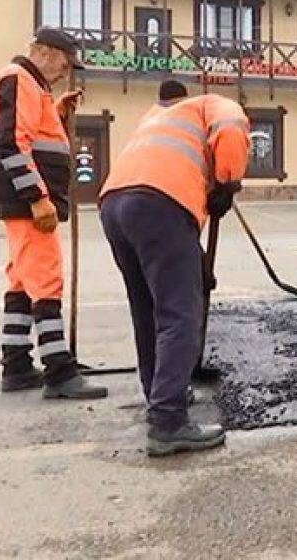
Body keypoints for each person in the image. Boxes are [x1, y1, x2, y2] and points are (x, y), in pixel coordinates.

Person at [98, 90, 250, 457]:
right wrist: (228, 182)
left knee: (147, 308)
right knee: (179, 312)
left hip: (115, 203)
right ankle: (168, 421)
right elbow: (231, 131)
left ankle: (160, 393)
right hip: (159, 200)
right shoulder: (221, 105)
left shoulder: (165, 115)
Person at [0, 27, 107, 399]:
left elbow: (29, 132)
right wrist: (38, 198)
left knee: (21, 281)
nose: (64, 73)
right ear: (45, 52)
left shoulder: (30, 86)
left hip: (23, 202)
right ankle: (59, 373)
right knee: (46, 280)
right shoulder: (18, 79)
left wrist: (57, 110)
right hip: (29, 203)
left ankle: (17, 364)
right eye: (65, 64)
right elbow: (12, 143)